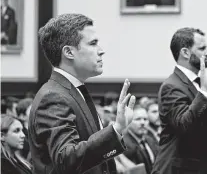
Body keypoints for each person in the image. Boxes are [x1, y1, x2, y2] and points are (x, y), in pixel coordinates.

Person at [28, 13, 136, 174]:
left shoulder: (72, 90)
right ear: (69, 52)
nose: (101, 51)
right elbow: (66, 159)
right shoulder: (53, 97)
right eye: (93, 43)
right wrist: (116, 128)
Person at [152, 28, 207, 174]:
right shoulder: (171, 86)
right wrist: (203, 92)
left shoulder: (198, 82)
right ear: (185, 52)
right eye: (202, 48)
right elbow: (184, 124)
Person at [123, 106, 159, 174]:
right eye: (138, 119)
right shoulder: (124, 144)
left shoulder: (150, 140)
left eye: (145, 119)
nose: (142, 123)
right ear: (128, 122)